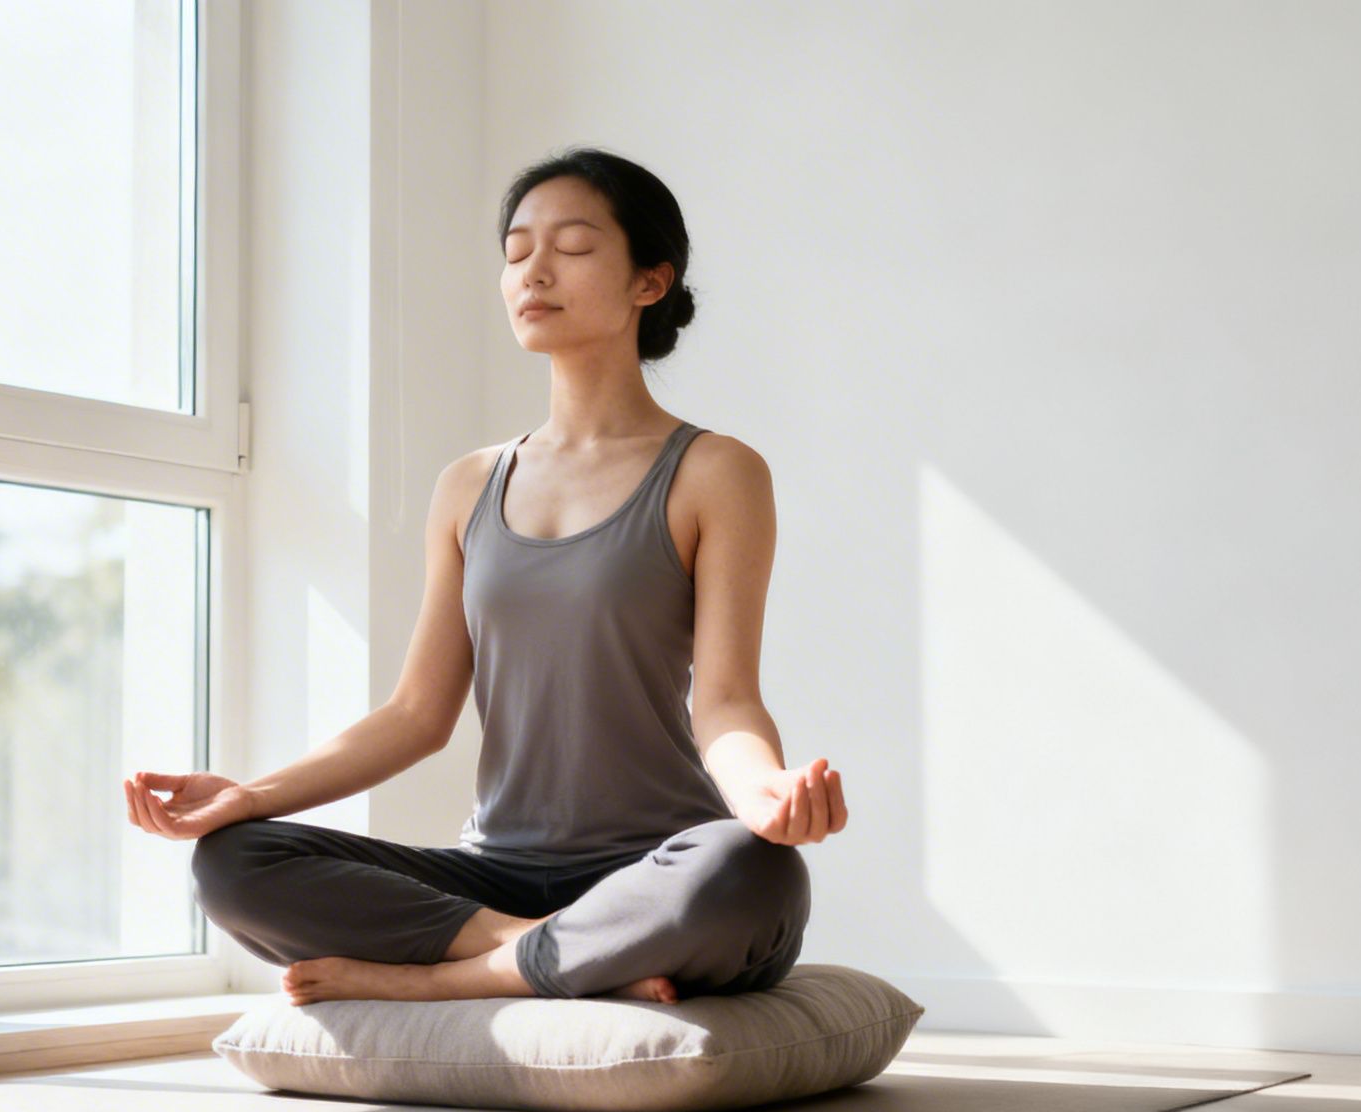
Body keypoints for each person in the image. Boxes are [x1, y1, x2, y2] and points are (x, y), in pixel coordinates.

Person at [123, 146, 846, 1007]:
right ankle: (545, 957)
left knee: (748, 870)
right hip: (493, 880)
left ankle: (444, 982)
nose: (533, 272)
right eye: (515, 252)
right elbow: (415, 715)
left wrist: (766, 795)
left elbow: (723, 699)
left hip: (658, 871)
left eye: (572, 248)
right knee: (235, 861)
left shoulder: (715, 472)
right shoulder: (469, 485)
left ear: (649, 282)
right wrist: (250, 793)